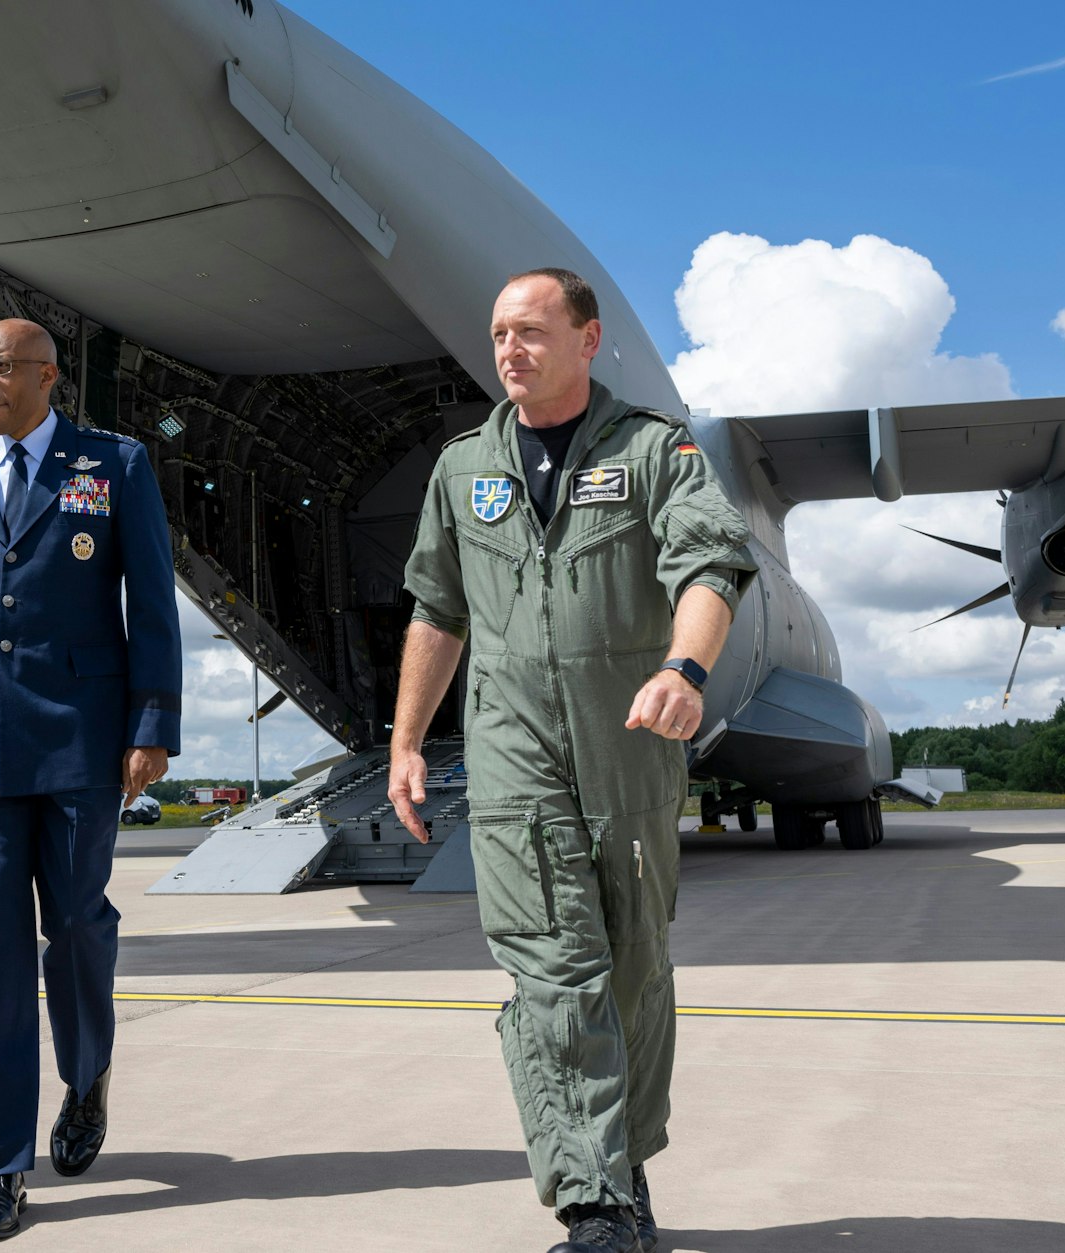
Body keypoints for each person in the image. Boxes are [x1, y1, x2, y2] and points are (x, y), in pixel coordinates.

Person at [389, 270, 758, 1253]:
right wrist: (405, 739)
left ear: (587, 340)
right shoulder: (463, 466)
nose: (510, 350)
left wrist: (685, 667)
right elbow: (437, 609)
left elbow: (710, 566)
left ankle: (622, 1168)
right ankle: (591, 1201)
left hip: (629, 750)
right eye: (498, 334)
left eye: (531, 331)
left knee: (633, 970)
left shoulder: (652, 450)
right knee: (556, 972)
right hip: (514, 756)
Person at [0, 318, 182, 1242]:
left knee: (73, 921)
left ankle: (87, 1069)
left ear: (47, 376)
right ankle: (0, 1167)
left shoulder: (114, 464)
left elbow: (150, 601)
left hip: (80, 739)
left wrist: (152, 724)